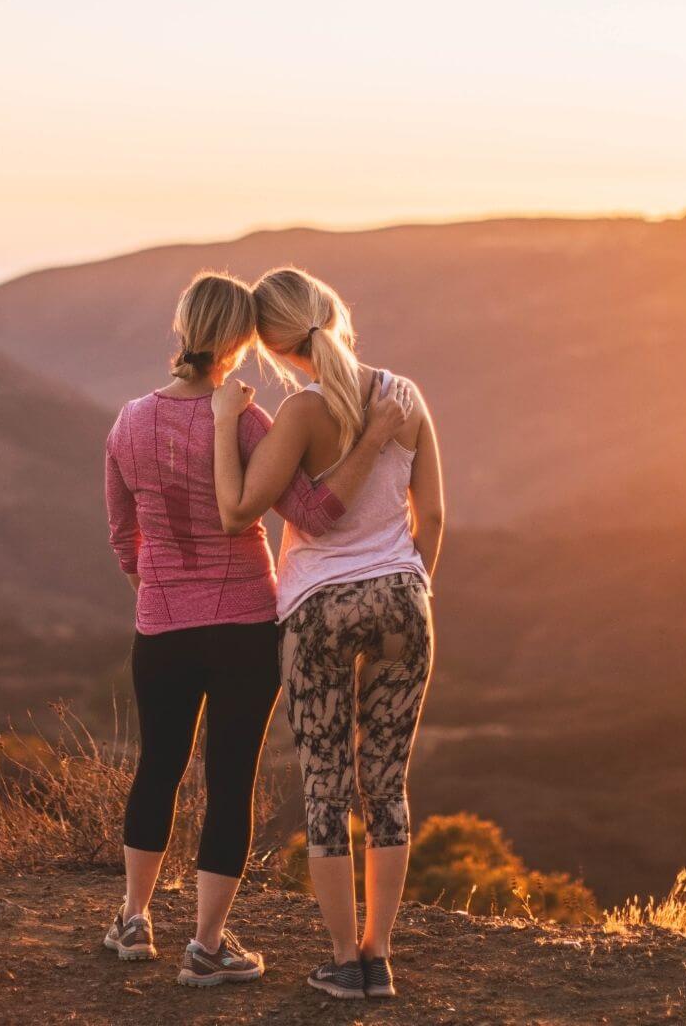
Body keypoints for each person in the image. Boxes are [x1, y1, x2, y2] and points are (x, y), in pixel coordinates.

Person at [101, 271, 407, 988]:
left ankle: (134, 919)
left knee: (159, 766)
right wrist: (371, 445)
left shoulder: (129, 423)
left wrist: (157, 585)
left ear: (181, 330)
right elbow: (314, 513)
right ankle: (207, 946)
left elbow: (122, 534)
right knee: (229, 780)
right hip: (245, 626)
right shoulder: (249, 424)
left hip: (163, 626)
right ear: (241, 343)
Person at [210, 266, 443, 1000]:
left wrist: (224, 424)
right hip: (405, 599)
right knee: (387, 782)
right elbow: (431, 517)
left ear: (276, 350)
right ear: (335, 312)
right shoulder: (404, 397)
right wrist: (412, 585)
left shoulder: (303, 416)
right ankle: (381, 955)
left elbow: (250, 508)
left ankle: (346, 960)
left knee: (327, 785)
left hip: (319, 612)